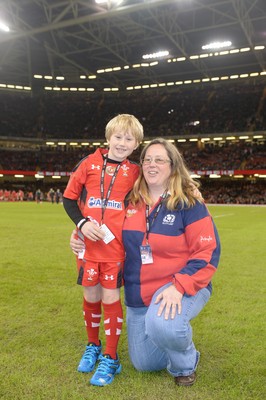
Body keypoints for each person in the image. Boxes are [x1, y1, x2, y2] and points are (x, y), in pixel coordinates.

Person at [70, 137, 221, 387]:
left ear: (172, 165)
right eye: (147, 159)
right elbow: (99, 220)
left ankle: (185, 362)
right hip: (140, 294)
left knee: (164, 324)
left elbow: (208, 251)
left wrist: (179, 286)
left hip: (178, 286)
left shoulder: (189, 202)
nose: (152, 164)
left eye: (160, 160)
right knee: (144, 363)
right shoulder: (130, 201)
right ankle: (165, 332)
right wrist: (79, 234)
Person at [63, 114, 144, 386]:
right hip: (87, 247)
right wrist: (81, 224)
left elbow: (153, 195)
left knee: (111, 299)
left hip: (114, 250)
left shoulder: (135, 172)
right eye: (118, 137)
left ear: (136, 145)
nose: (122, 142)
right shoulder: (88, 163)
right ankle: (92, 345)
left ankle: (111, 357)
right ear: (108, 137)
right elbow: (69, 198)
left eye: (129, 139)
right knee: (90, 296)